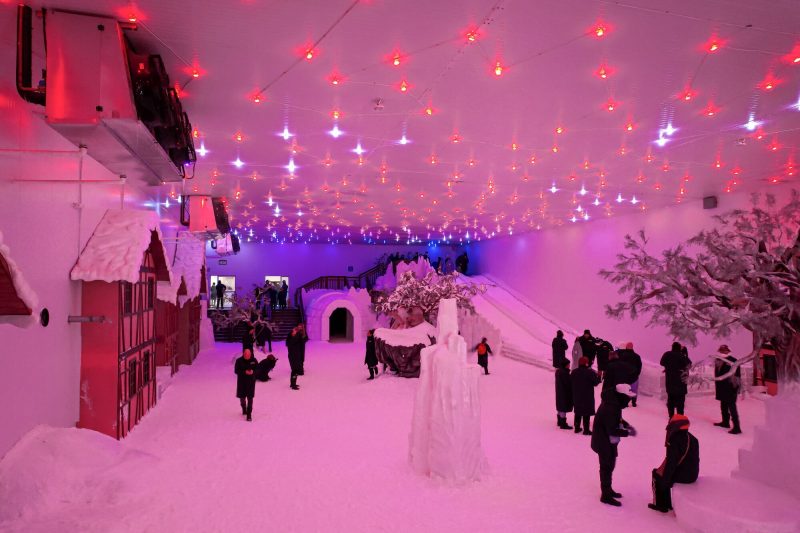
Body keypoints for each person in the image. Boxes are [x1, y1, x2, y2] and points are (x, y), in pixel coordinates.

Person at [591, 384, 637, 506]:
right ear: (621, 396)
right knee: (606, 466)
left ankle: (608, 489)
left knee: (610, 465)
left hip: (609, 441)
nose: (628, 400)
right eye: (627, 397)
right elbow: (611, 429)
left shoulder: (614, 404)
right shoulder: (610, 407)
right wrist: (627, 433)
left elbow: (617, 420)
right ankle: (605, 495)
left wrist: (626, 425)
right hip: (604, 442)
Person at [649, 414, 700, 513]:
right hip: (693, 474)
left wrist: (665, 481)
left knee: (656, 475)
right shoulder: (692, 438)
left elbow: (671, 463)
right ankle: (666, 503)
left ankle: (660, 505)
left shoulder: (675, 439)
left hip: (683, 476)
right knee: (663, 474)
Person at [713, 345, 742, 434]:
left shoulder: (733, 360)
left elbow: (737, 376)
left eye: (725, 350)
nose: (723, 352)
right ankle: (725, 422)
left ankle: (737, 427)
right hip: (722, 387)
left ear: (728, 351)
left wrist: (736, 388)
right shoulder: (718, 360)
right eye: (721, 350)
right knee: (723, 406)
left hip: (730, 387)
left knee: (732, 407)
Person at [660, 342, 692, 417]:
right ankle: (680, 417)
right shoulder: (682, 356)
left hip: (670, 381)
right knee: (680, 402)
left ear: (672, 347)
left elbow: (662, 362)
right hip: (681, 382)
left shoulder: (667, 354)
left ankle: (671, 416)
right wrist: (685, 354)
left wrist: (669, 366)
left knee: (671, 400)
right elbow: (688, 365)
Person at [571, 356, 601, 435]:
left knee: (578, 411)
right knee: (586, 412)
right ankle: (586, 430)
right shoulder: (590, 372)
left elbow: (571, 382)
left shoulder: (574, 372)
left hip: (576, 394)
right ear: (586, 363)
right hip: (587, 395)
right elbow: (596, 383)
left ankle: (577, 428)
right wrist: (599, 376)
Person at [234, 348, 258, 421]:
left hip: (251, 382)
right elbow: (236, 371)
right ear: (243, 354)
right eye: (246, 355)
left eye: (249, 355)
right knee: (242, 398)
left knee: (250, 398)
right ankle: (244, 408)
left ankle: (249, 414)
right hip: (242, 382)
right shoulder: (239, 361)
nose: (248, 356)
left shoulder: (254, 360)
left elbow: (258, 369)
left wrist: (253, 371)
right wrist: (244, 372)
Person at [617, 342, 643, 407]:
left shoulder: (622, 355)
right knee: (634, 389)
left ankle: (624, 401)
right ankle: (634, 402)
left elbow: (619, 365)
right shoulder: (637, 356)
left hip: (624, 375)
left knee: (624, 388)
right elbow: (639, 366)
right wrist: (637, 374)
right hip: (634, 376)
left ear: (626, 347)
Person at [286, 323, 308, 390]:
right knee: (294, 370)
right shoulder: (292, 337)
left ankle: (293, 384)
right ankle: (293, 385)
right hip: (293, 355)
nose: (295, 331)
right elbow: (289, 344)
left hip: (297, 354)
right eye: (294, 331)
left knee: (296, 370)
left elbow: (303, 341)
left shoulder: (298, 335)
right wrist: (294, 335)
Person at [555, 358, 573, 429]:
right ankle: (563, 423)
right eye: (568, 364)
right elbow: (568, 383)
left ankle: (559, 421)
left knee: (560, 406)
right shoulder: (564, 373)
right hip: (564, 392)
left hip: (559, 391)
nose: (569, 365)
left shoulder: (558, 371)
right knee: (563, 407)